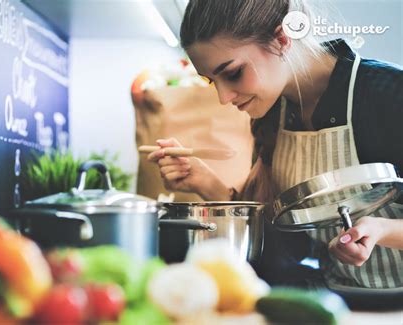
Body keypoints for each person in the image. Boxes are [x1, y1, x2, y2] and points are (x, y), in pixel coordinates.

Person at [147, 0, 403, 289]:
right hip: (340, 304)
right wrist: (206, 183)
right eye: (211, 81)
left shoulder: (389, 93)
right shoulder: (273, 113)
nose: (223, 97)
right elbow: (286, 249)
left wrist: (383, 229)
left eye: (232, 73)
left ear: (282, 39)